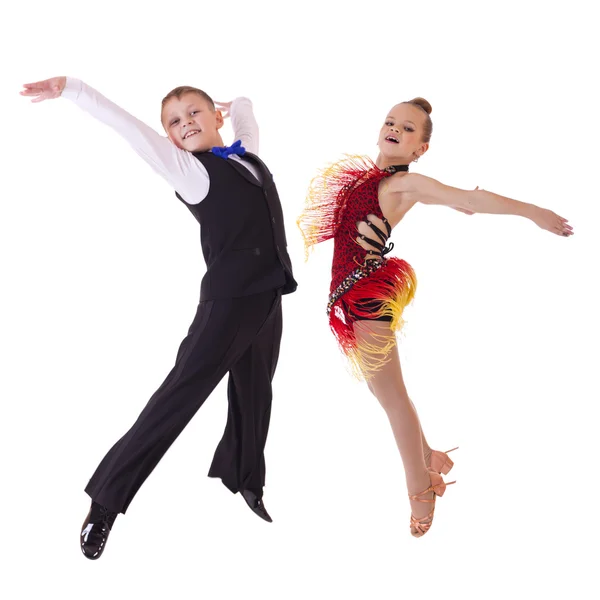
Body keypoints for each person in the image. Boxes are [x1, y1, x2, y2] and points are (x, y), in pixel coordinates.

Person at [20, 76, 297, 559]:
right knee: (176, 399)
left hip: (269, 296)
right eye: (174, 121)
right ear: (168, 137)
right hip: (228, 305)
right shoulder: (189, 171)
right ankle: (105, 502)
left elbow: (248, 125)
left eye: (195, 112)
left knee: (256, 392)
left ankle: (245, 479)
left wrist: (243, 103)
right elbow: (127, 128)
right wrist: (73, 89)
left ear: (215, 118)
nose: (185, 123)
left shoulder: (246, 155)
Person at [297, 97, 573, 537]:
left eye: (408, 129)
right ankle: (426, 456)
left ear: (420, 148)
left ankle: (421, 490)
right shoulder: (374, 178)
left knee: (391, 398)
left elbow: (471, 198)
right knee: (380, 389)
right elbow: (453, 200)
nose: (395, 129)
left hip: (368, 296)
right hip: (351, 294)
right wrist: (450, 201)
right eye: (390, 121)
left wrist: (533, 212)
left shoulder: (406, 183)